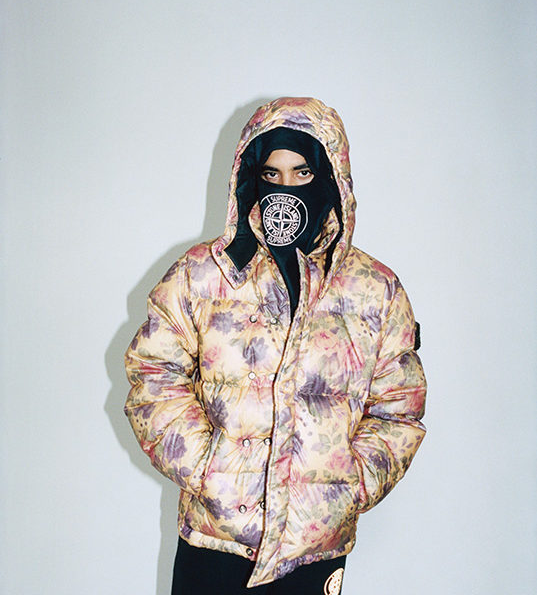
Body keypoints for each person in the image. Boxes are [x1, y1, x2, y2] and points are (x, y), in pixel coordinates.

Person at [124, 97, 427, 594]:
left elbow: (399, 408)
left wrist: (347, 485)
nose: (285, 188)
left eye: (302, 172)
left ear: (330, 178)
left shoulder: (374, 290)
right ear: (251, 177)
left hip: (313, 548)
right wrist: (208, 469)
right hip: (215, 542)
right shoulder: (202, 275)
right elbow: (153, 376)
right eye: (272, 174)